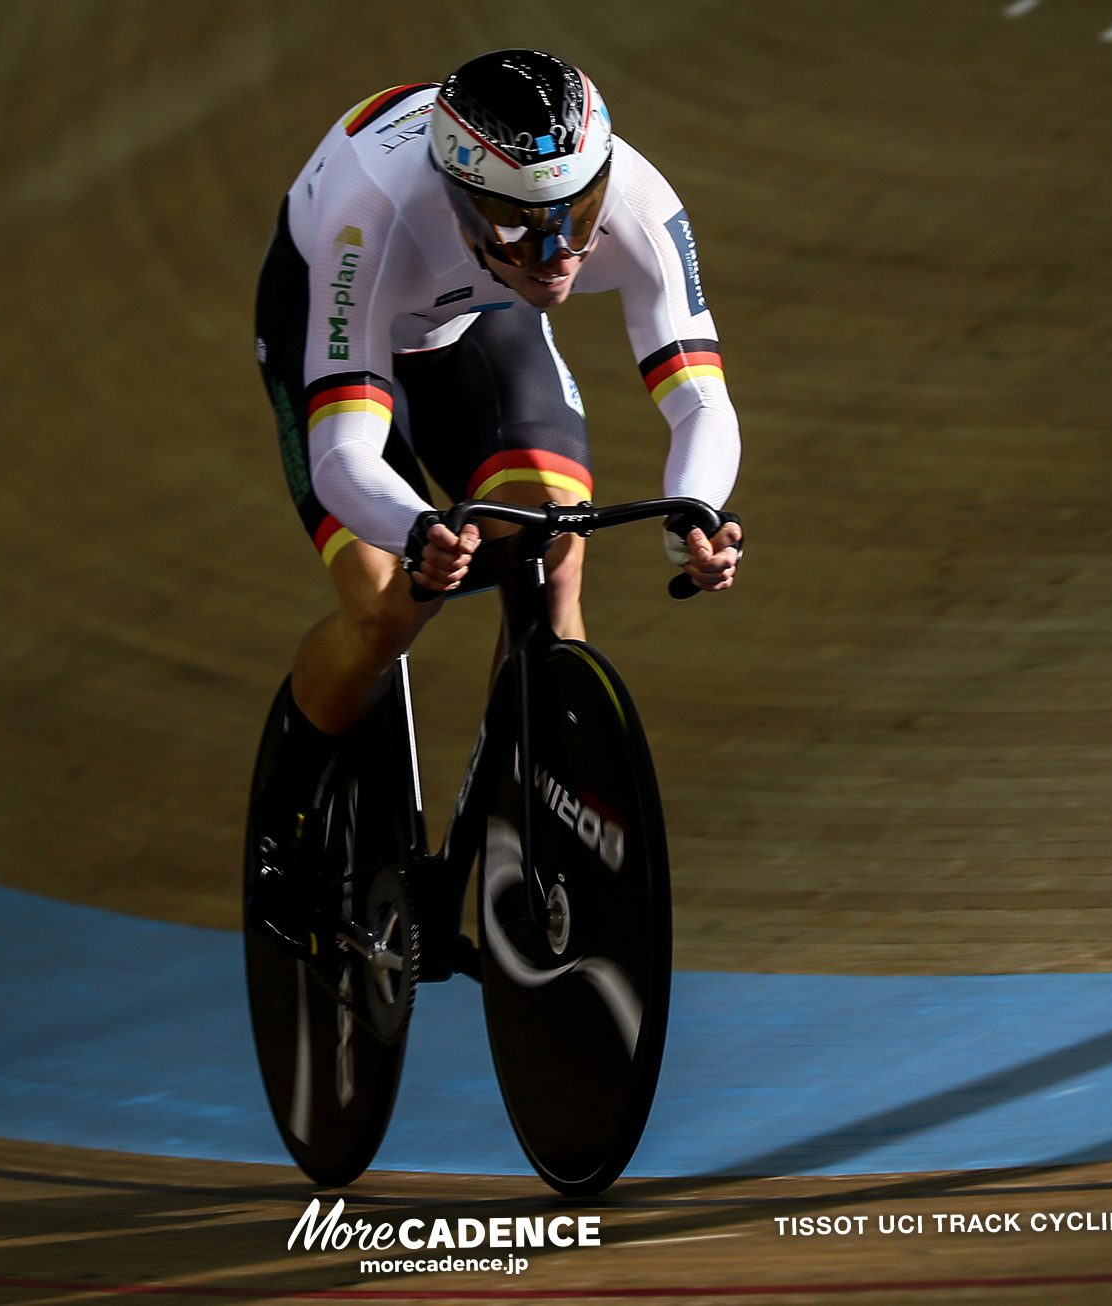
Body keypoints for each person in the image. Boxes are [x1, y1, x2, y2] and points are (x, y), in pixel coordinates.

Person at [249, 50, 742, 953]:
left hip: (480, 311)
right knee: (386, 612)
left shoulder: (632, 197)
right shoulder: (376, 216)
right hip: (336, 319)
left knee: (552, 547)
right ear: (461, 197)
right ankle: (287, 830)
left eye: (576, 219)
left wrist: (697, 508)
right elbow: (343, 454)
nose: (556, 257)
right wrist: (416, 530)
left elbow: (701, 399)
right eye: (520, 226)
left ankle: (545, 822)